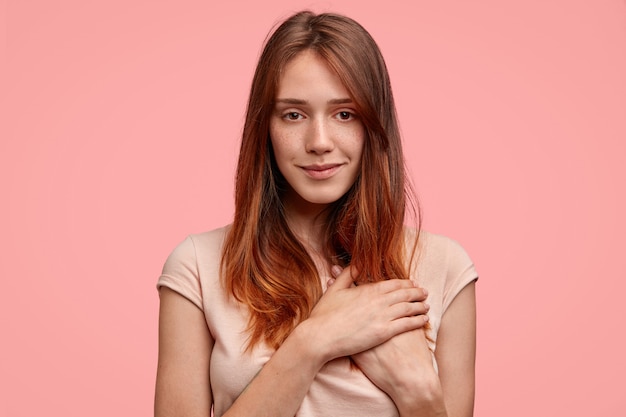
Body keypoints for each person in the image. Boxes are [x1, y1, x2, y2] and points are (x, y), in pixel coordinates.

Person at [155, 10, 478, 417]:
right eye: (294, 114)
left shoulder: (446, 267)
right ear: (266, 127)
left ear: (374, 126)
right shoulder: (197, 267)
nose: (319, 141)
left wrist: (418, 394)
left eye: (345, 114)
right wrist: (313, 343)